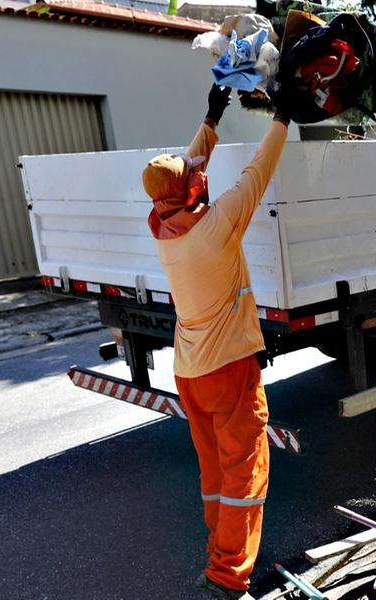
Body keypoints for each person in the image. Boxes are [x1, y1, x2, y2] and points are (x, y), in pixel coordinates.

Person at [143, 84, 289, 600]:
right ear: (188, 190)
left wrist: (211, 118)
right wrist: (284, 116)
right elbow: (257, 172)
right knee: (246, 470)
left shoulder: (162, 225)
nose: (197, 173)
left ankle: (224, 551)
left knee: (215, 472)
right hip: (228, 369)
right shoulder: (217, 227)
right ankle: (228, 576)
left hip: (190, 371)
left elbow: (182, 171)